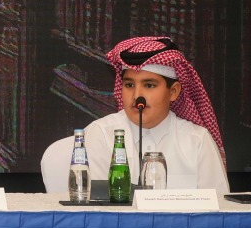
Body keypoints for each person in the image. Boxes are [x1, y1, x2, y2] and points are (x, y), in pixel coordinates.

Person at [83, 36, 228, 192]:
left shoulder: (197, 140)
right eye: (129, 85)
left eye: (149, 85)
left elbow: (219, 208)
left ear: (173, 92)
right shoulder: (100, 134)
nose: (137, 95)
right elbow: (94, 208)